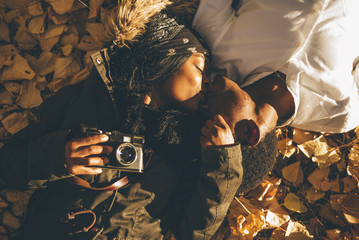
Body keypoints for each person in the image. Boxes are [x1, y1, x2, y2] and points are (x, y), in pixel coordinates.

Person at [0, 7, 243, 240]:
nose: (207, 84)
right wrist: (60, 156)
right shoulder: (85, 100)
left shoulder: (187, 148)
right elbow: (7, 166)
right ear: (167, 56)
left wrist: (223, 163)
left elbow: (192, 233)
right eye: (201, 68)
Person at [193, 0, 359, 143]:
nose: (202, 93)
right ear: (249, 132)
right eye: (206, 111)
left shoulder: (218, 49)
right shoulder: (341, 114)